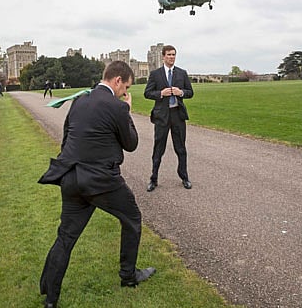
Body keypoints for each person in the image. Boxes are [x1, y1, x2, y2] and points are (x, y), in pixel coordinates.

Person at [38, 61, 155, 308]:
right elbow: (131, 143)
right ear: (117, 81)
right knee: (132, 218)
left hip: (70, 175)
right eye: (126, 88)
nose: (126, 93)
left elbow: (67, 136)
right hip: (101, 180)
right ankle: (129, 276)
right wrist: (128, 112)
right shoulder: (117, 106)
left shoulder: (80, 101)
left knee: (66, 236)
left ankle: (50, 295)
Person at [144, 45, 194, 192]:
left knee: (181, 148)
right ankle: (153, 178)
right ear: (163, 56)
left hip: (178, 115)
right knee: (158, 148)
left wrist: (181, 92)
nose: (172, 57)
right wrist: (161, 93)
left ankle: (184, 177)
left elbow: (190, 92)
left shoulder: (182, 73)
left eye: (174, 55)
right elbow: (147, 93)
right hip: (162, 116)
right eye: (169, 55)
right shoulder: (155, 74)